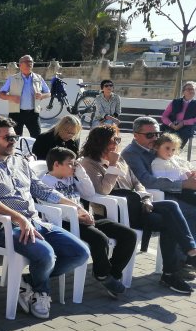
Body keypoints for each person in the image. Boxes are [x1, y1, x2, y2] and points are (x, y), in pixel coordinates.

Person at [0, 116, 90, 319]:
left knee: (81, 252)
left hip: (35, 222)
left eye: (14, 137)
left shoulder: (19, 162)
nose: (13, 141)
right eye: (8, 138)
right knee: (46, 254)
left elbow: (39, 189)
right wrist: (20, 220)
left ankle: (30, 282)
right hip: (2, 230)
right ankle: (41, 292)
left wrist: (74, 206)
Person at [80, 124, 196, 294]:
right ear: (100, 142)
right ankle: (172, 271)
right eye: (113, 140)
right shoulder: (88, 163)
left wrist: (147, 199)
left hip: (137, 206)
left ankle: (186, 251)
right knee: (169, 223)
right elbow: (102, 190)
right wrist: (112, 166)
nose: (116, 144)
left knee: (171, 207)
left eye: (118, 140)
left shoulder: (119, 159)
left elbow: (137, 183)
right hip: (116, 211)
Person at [41, 147, 137, 297]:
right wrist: (79, 217)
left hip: (84, 217)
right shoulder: (45, 182)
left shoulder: (71, 177)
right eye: (70, 164)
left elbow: (89, 193)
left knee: (129, 235)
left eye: (75, 164)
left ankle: (112, 274)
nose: (74, 167)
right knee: (100, 239)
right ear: (56, 164)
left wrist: (81, 173)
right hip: (64, 222)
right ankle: (102, 275)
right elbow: (52, 210)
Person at [122, 116, 196, 225]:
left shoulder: (155, 147)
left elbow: (178, 161)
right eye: (149, 135)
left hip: (172, 192)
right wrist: (184, 184)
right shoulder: (131, 153)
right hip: (154, 198)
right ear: (135, 135)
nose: (155, 138)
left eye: (157, 134)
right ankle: (186, 242)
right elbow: (147, 181)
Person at [0, 55, 50, 138]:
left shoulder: (38, 78)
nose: (30, 64)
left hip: (33, 113)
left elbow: (49, 93)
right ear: (20, 64)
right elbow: (0, 94)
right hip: (16, 113)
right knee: (14, 138)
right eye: (27, 62)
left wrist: (42, 96)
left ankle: (34, 151)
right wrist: (11, 97)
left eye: (31, 62)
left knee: (37, 138)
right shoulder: (12, 79)